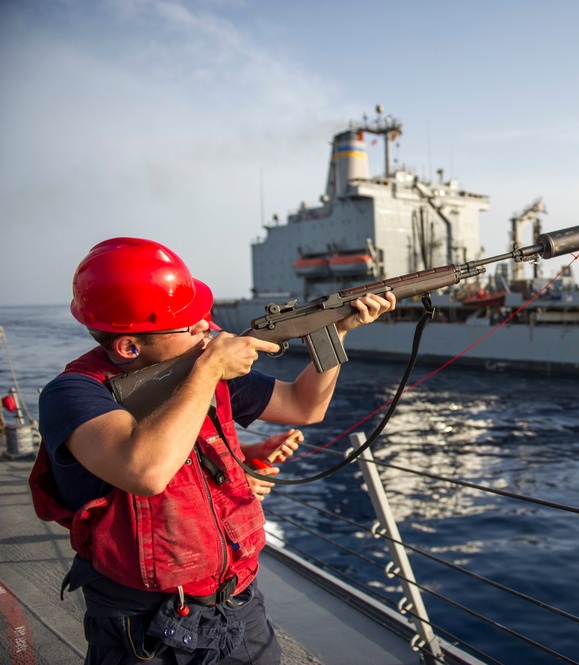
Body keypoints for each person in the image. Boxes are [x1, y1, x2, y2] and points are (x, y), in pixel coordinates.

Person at [29, 237, 395, 664]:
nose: (208, 327)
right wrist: (209, 371)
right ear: (129, 346)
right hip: (144, 624)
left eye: (203, 315)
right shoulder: (73, 394)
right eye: (188, 323)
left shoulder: (200, 363)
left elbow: (303, 406)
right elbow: (145, 471)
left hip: (238, 605)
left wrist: (334, 332)